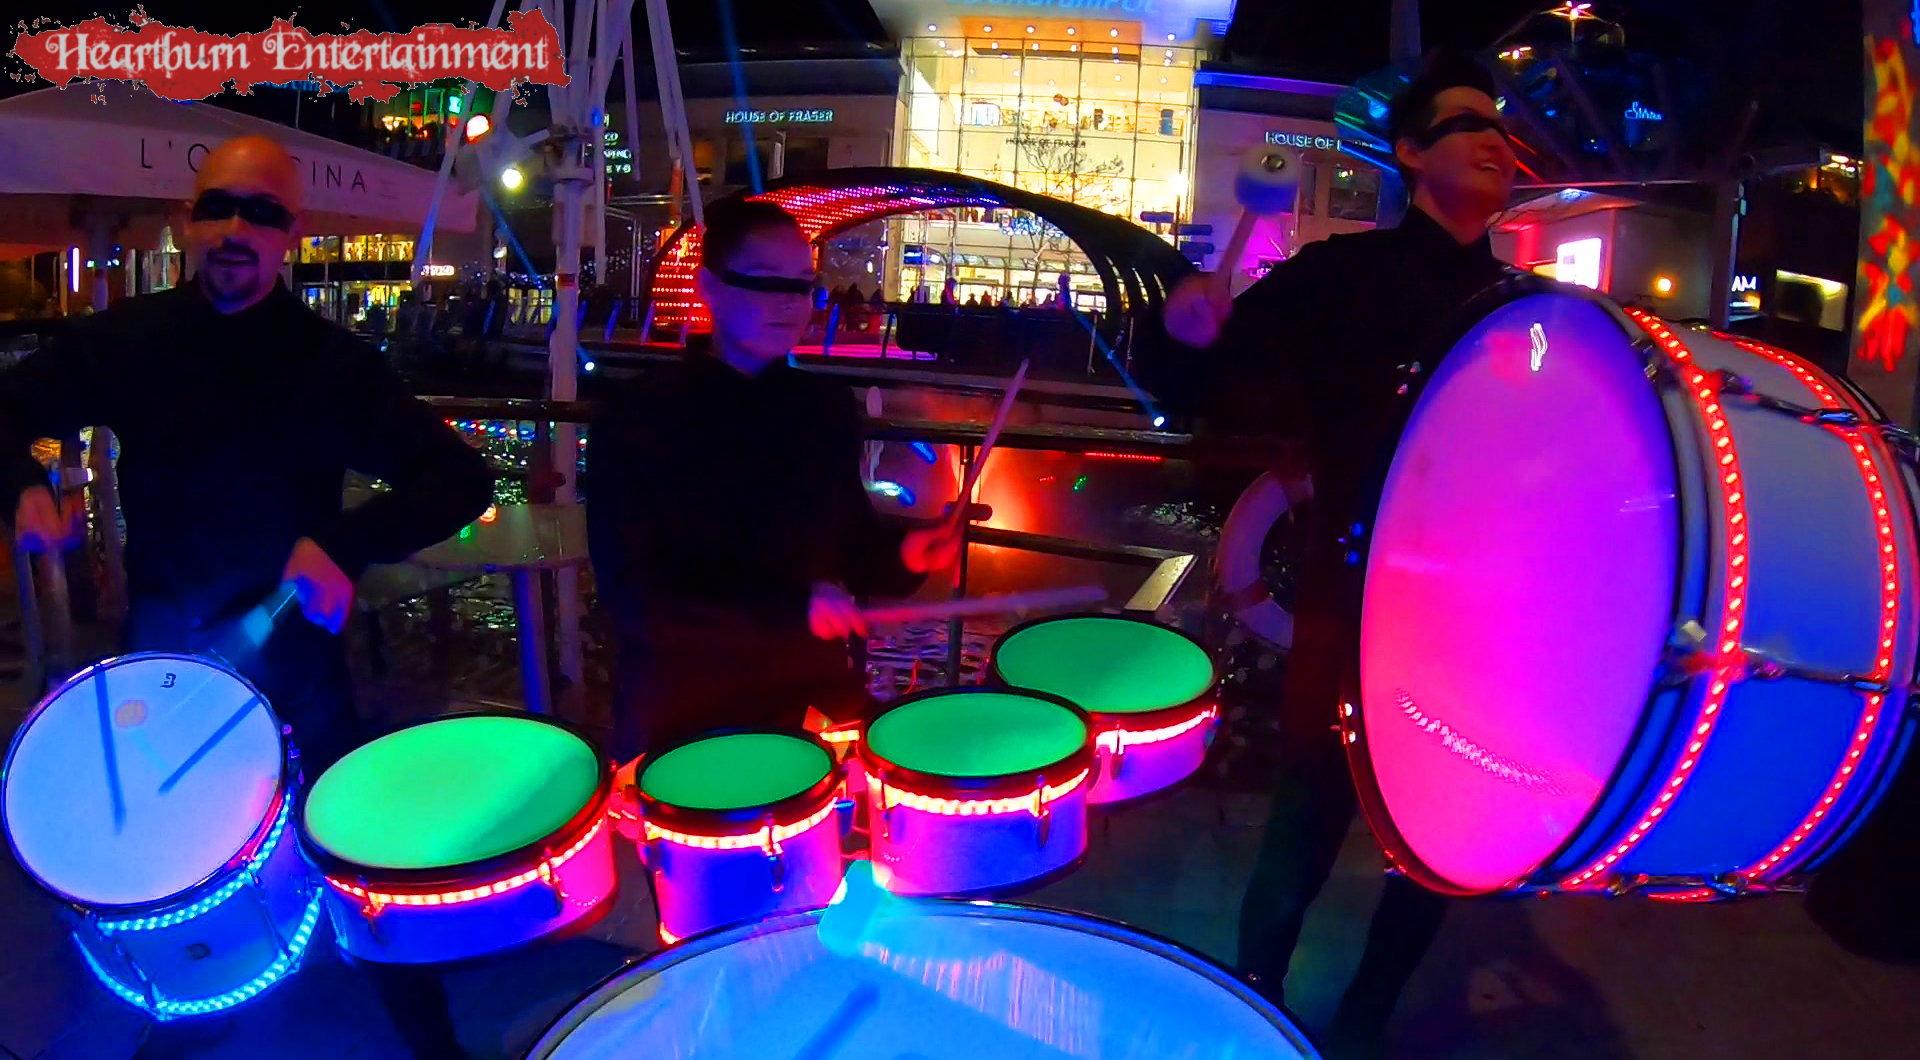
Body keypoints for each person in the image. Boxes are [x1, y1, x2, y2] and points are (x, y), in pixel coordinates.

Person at [0, 135, 494, 1059]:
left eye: (260, 213)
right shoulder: (130, 340)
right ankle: (196, 1012)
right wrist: (18, 484)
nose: (236, 229)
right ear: (188, 223)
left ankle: (431, 1043)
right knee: (179, 859)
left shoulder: (334, 366)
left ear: (289, 233)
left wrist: (344, 542)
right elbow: (6, 407)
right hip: (165, 649)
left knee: (355, 849)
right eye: (219, 207)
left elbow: (461, 479)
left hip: (294, 650)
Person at [1163, 53, 1518, 1059]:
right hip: (1352, 593)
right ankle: (1255, 1005)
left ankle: (1365, 1016)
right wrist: (1192, 330)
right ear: (1409, 154)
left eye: (1500, 127)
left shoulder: (1525, 309)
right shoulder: (1336, 277)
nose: (1495, 139)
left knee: (1439, 842)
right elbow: (1206, 385)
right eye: (1466, 123)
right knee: (1304, 826)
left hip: (1475, 615)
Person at [586, 199, 963, 762]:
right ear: (709, 287)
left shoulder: (824, 407)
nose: (790, 302)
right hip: (687, 709)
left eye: (803, 285)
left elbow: (851, 543)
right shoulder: (638, 418)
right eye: (767, 282)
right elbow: (636, 597)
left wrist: (904, 554)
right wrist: (789, 605)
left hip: (812, 696)